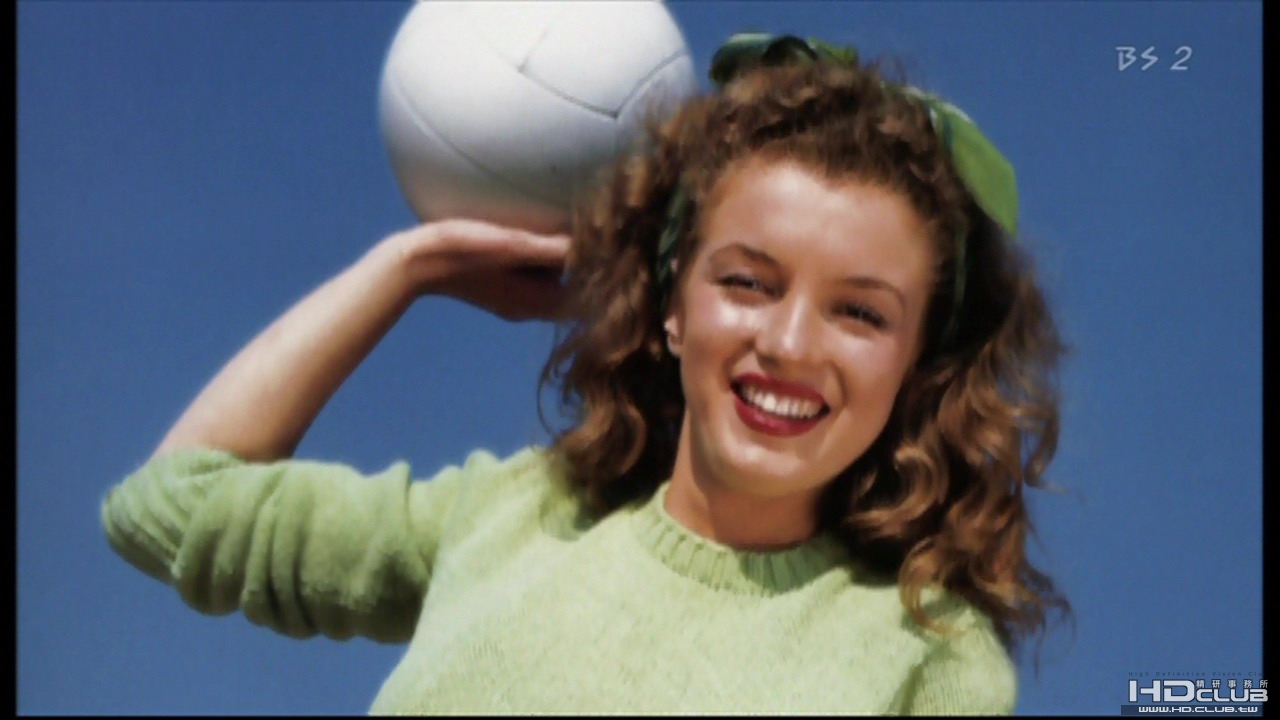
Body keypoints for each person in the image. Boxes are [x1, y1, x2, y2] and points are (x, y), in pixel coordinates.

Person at [100, 33, 1070, 714]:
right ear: (672, 306)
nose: (789, 343)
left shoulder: (927, 656)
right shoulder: (513, 516)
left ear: (915, 364)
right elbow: (168, 506)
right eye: (747, 282)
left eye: (860, 313)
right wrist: (411, 267)